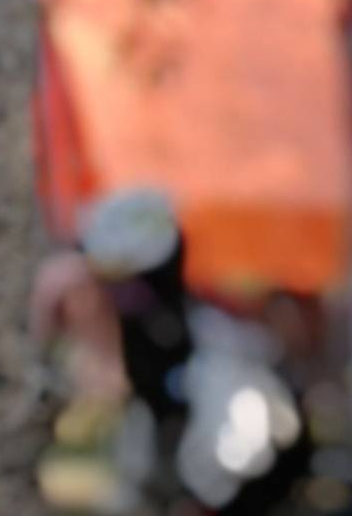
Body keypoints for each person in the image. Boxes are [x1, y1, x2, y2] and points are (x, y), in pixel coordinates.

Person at [78, 187, 312, 516]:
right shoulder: (150, 339)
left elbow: (241, 443)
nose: (114, 295)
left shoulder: (210, 342)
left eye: (123, 281)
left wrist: (205, 497)